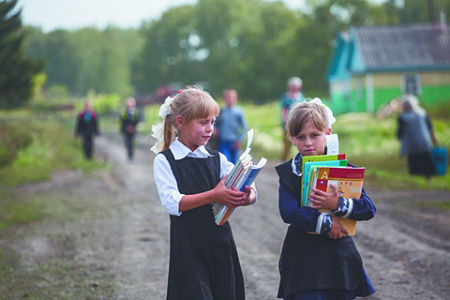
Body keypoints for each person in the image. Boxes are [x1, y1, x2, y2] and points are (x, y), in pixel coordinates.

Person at [151, 87, 257, 300]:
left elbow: (249, 188)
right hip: (188, 247)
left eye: (212, 122)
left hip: (220, 243)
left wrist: (248, 196)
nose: (210, 129)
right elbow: (172, 203)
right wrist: (213, 195)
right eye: (203, 122)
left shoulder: (217, 159)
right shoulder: (165, 160)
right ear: (180, 122)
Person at [275, 99, 376, 300]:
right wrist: (328, 224)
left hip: (339, 257)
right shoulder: (289, 173)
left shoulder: (346, 171)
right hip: (302, 258)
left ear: (327, 133)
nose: (308, 142)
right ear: (292, 139)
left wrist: (337, 204)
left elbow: (368, 208)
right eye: (300, 137)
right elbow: (288, 211)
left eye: (314, 135)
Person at [397, 94, 438, 179]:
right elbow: (430, 127)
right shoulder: (422, 113)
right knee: (426, 162)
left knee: (414, 164)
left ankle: (415, 180)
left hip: (411, 145)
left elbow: (400, 133)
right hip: (424, 142)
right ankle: (428, 177)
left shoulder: (403, 117)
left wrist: (400, 140)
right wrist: (434, 139)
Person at [215, 88, 247, 163]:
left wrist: (240, 138)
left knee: (234, 160)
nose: (230, 99)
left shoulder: (239, 111)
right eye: (227, 98)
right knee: (225, 159)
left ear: (236, 99)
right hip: (223, 139)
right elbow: (214, 122)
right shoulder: (221, 111)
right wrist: (214, 129)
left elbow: (244, 126)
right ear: (224, 99)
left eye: (232, 98)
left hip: (234, 139)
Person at [280, 76, 305, 161]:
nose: (295, 88)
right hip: (288, 122)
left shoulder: (300, 96)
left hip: (299, 123)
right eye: (293, 86)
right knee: (287, 143)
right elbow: (283, 110)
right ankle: (284, 160)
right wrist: (286, 121)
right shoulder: (286, 97)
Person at [119, 97, 140, 161]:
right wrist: (126, 127)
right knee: (127, 142)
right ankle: (129, 154)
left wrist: (133, 127)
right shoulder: (124, 112)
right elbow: (122, 121)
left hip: (132, 130)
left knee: (131, 142)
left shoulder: (135, 112)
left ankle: (131, 155)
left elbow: (137, 120)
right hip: (126, 129)